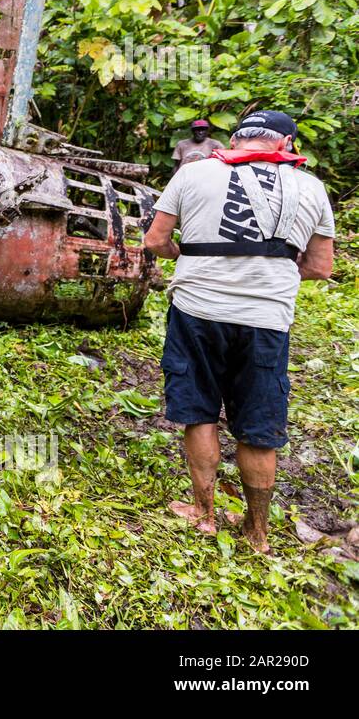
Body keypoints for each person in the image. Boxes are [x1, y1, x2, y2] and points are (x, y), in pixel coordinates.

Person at [143, 110, 334, 554]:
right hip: (267, 319)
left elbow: (155, 241)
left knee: (199, 412)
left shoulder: (195, 173)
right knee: (257, 425)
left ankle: (204, 515)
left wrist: (190, 257)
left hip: (198, 311)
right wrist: (268, 272)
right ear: (286, 144)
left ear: (234, 139)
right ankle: (257, 532)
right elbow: (320, 267)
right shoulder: (312, 188)